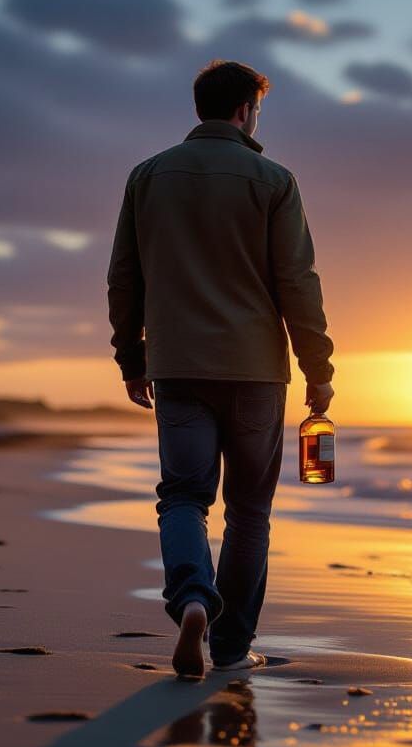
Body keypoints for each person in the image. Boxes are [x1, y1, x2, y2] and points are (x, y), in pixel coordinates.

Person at [106, 59, 335, 679]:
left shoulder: (147, 177)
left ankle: (191, 601)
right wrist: (319, 367)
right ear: (245, 111)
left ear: (200, 108)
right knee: (249, 511)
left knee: (183, 496)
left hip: (177, 365)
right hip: (258, 370)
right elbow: (297, 282)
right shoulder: (274, 179)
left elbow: (124, 277)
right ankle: (232, 645)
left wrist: (132, 357)